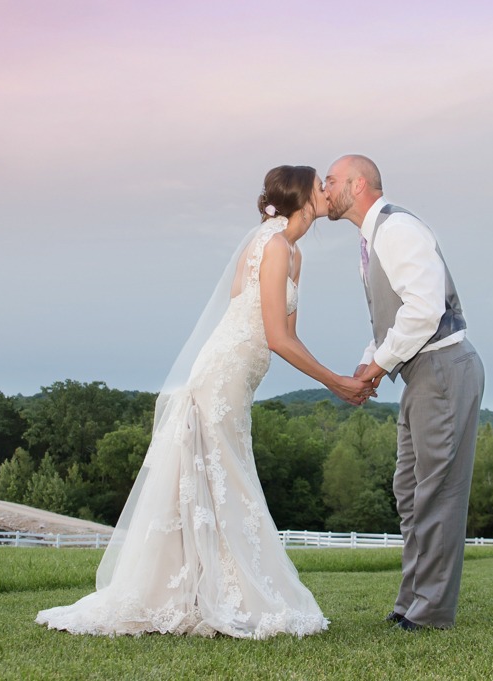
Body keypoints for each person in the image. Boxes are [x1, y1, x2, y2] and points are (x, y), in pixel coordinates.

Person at [36, 165, 372, 638]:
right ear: (301, 196)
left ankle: (206, 587)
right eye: (320, 184)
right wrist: (336, 383)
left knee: (222, 476)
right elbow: (273, 335)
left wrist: (330, 377)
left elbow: (286, 331)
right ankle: (199, 593)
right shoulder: (271, 245)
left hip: (242, 379)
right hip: (221, 376)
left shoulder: (293, 255)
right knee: (222, 475)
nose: (326, 190)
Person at [325, 154, 485, 631]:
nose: (324, 188)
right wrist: (368, 358)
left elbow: (423, 309)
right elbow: (395, 316)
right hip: (420, 373)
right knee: (410, 492)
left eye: (330, 180)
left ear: (357, 185)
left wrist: (378, 364)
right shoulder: (371, 238)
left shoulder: (397, 230)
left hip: (442, 368)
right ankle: (411, 602)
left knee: (436, 494)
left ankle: (431, 613)